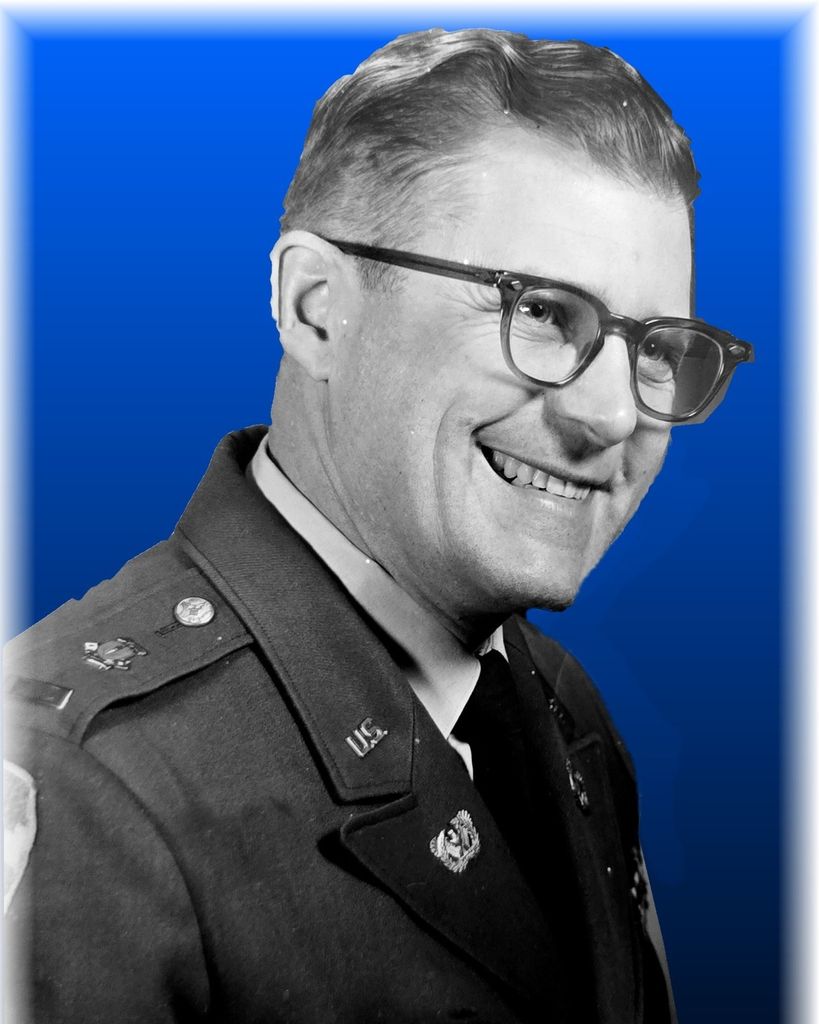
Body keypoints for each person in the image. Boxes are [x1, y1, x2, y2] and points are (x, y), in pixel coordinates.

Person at [4, 27, 754, 1024]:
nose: (613, 415)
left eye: (656, 346)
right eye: (540, 311)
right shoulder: (80, 787)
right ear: (316, 308)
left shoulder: (562, 709)